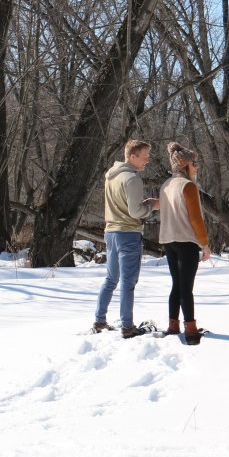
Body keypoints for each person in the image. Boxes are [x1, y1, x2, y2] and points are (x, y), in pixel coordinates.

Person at [94, 139, 158, 338]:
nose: (147, 160)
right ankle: (128, 327)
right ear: (132, 156)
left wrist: (143, 204)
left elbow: (124, 206)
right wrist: (152, 206)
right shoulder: (132, 178)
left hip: (111, 233)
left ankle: (99, 320)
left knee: (111, 279)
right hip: (128, 234)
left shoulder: (111, 176)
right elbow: (135, 211)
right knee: (128, 283)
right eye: (145, 156)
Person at [159, 142, 210, 345]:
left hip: (169, 241)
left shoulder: (166, 185)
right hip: (186, 241)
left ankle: (173, 326)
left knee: (176, 285)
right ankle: (191, 330)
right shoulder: (188, 186)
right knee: (187, 288)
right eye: (194, 163)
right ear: (185, 165)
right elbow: (196, 219)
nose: (196, 166)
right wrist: (205, 244)